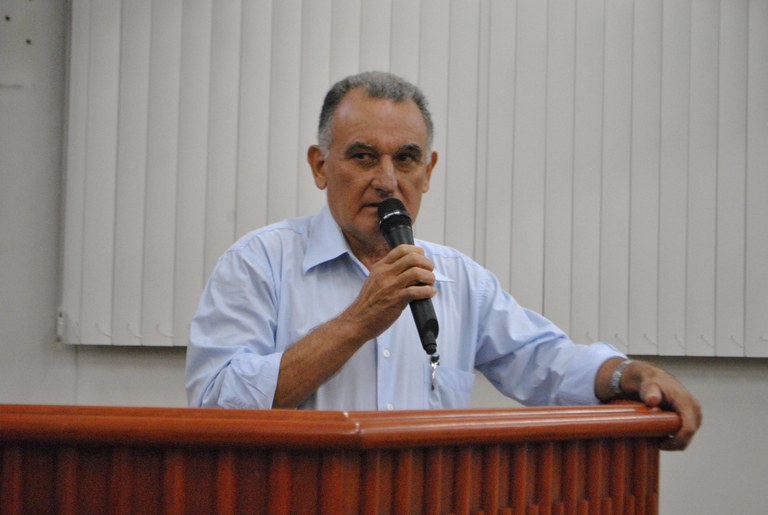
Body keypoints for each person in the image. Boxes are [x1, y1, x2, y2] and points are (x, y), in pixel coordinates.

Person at [186, 71, 701, 450]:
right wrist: (357, 322)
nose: (388, 181)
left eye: (406, 159)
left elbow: (545, 362)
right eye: (364, 157)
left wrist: (629, 374)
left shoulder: (458, 280)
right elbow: (215, 404)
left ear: (428, 171)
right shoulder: (259, 263)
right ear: (320, 166)